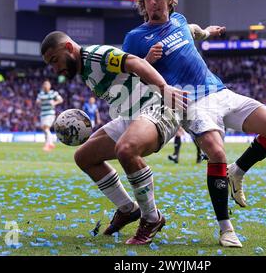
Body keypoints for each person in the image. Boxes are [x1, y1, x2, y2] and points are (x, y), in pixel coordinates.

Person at [123, 0, 266, 247]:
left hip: (220, 91)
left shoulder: (179, 21)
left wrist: (209, 32)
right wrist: (148, 61)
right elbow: (128, 83)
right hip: (191, 102)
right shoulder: (136, 38)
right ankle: (226, 228)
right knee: (215, 152)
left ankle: (238, 171)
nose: (153, 2)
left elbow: (194, 32)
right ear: (142, 2)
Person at [41, 31, 188, 245]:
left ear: (69, 48)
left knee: (126, 149)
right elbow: (130, 75)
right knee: (84, 156)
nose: (55, 69)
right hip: (131, 116)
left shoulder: (95, 56)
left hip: (159, 109)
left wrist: (164, 88)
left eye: (55, 60)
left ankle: (152, 218)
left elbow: (134, 62)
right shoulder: (83, 69)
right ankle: (128, 210)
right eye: (50, 65)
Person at [36, 80, 63, 151]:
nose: (45, 86)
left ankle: (50, 144)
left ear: (49, 86)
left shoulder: (53, 93)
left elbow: (61, 100)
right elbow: (37, 101)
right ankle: (48, 143)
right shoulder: (41, 94)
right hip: (43, 113)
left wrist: (54, 103)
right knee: (44, 129)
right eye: (44, 84)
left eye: (47, 84)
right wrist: (38, 102)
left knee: (45, 128)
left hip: (50, 113)